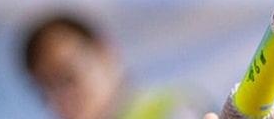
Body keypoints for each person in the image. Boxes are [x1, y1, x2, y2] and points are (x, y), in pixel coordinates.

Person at [23, 13, 196, 119]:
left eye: (68, 77)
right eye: (46, 90)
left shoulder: (173, 108)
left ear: (103, 51)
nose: (60, 99)